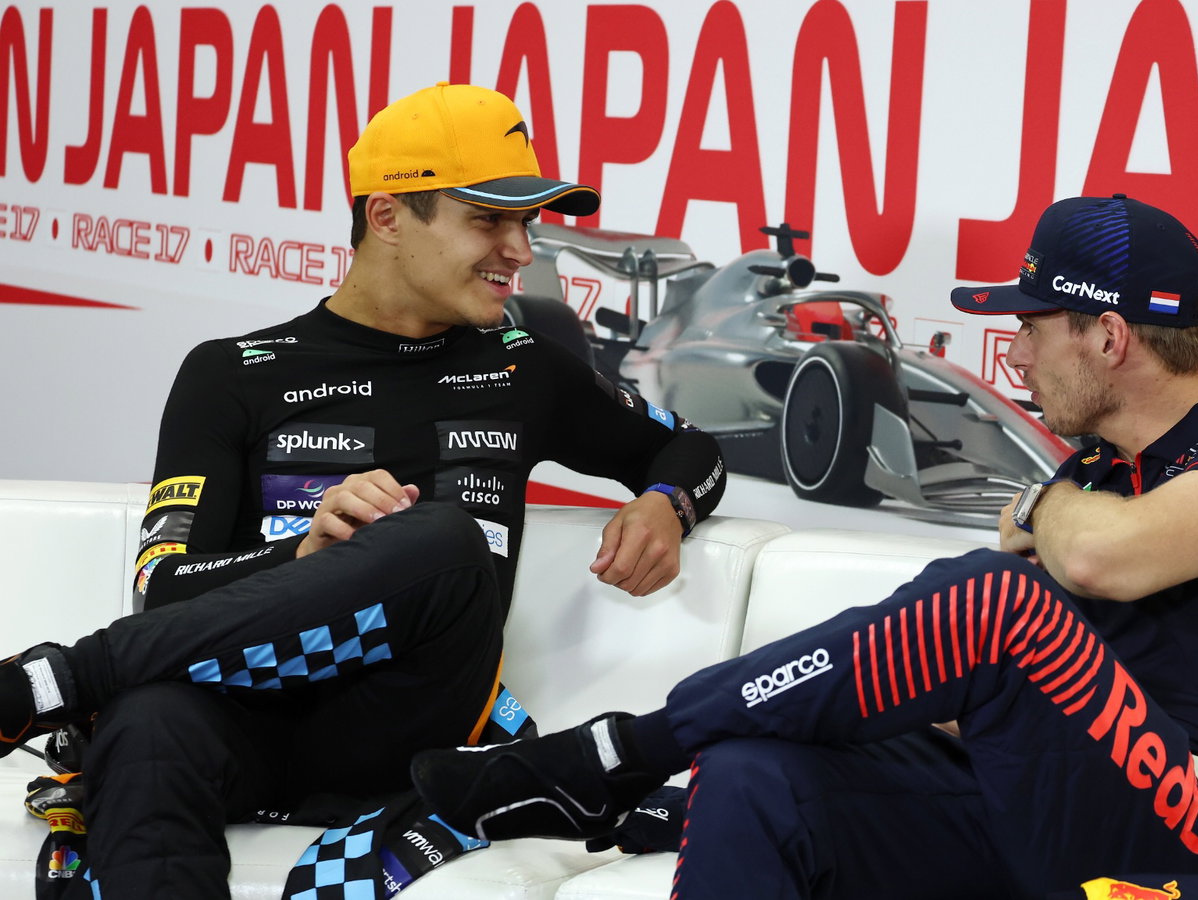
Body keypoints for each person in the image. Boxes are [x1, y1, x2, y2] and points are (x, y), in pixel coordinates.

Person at [409, 195, 1198, 899]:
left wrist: (1042, 521)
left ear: (1109, 339)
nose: (1018, 352)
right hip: (1047, 805)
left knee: (996, 597)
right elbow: (1003, 661)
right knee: (754, 778)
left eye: (1033, 326)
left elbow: (1102, 560)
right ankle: (656, 767)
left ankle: (614, 754)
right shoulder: (1086, 474)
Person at [0, 82, 725, 899]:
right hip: (240, 719)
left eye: (526, 223)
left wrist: (666, 501)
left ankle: (44, 685)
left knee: (443, 540)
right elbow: (164, 590)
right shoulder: (229, 373)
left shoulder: (525, 368)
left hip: (410, 722)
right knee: (143, 723)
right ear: (387, 218)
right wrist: (302, 552)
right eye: (488, 219)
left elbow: (692, 450)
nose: (521, 250)